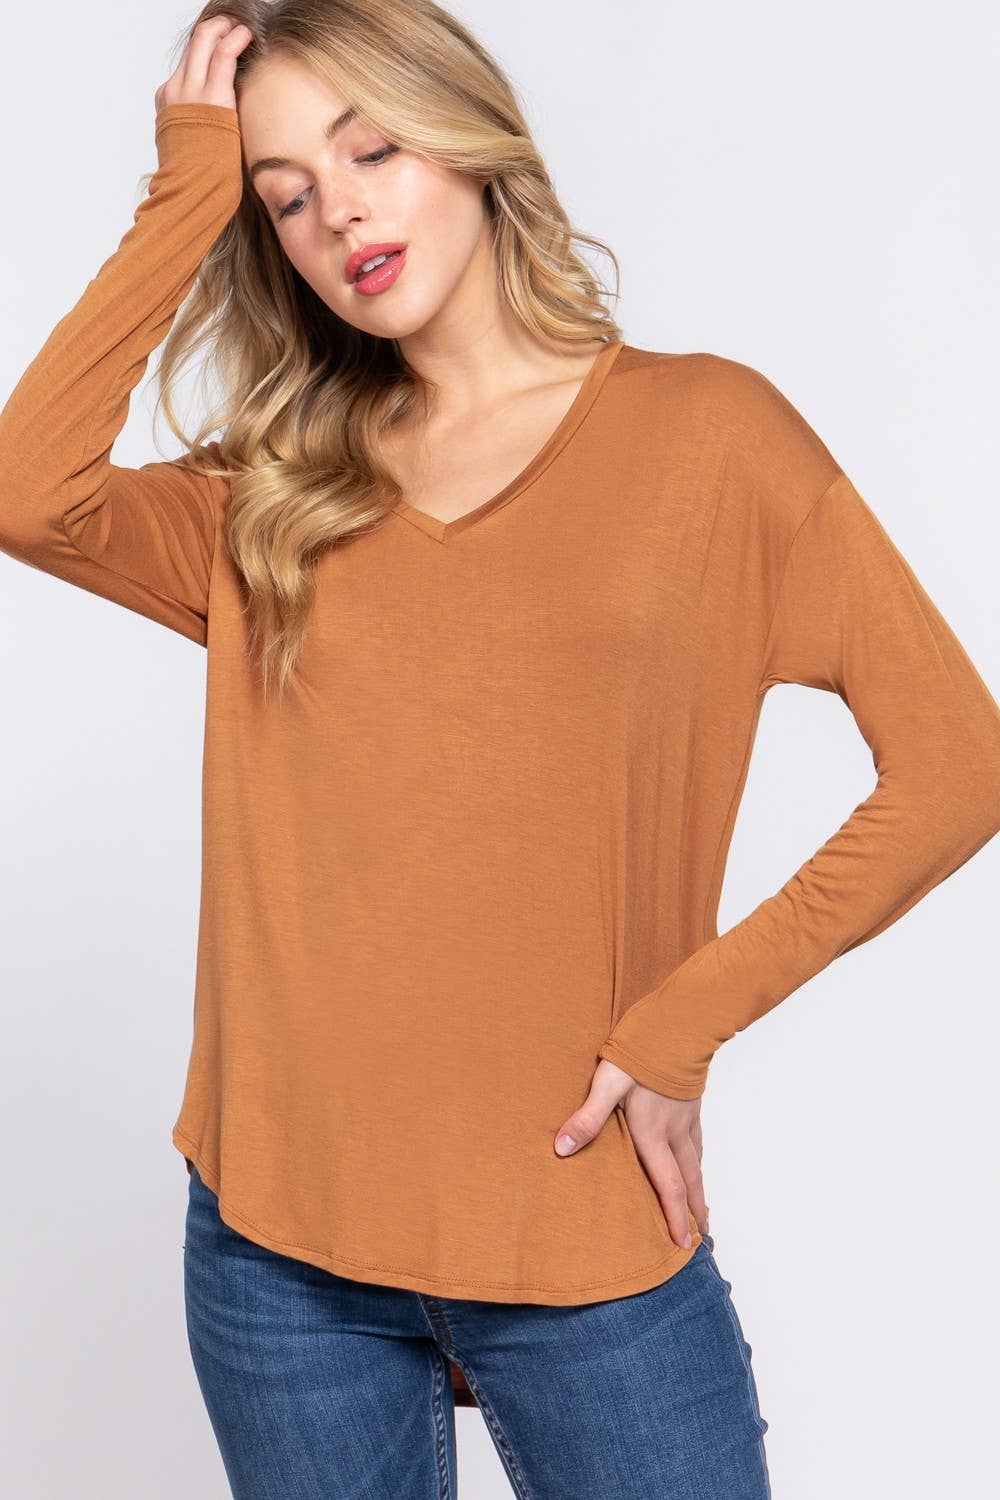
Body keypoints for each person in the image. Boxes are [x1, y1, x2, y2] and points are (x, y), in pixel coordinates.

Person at [2, 3, 998, 1497]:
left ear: (470, 140)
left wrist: (683, 1023)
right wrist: (184, 188)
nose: (338, 212)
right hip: (278, 1254)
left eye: (372, 150)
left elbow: (958, 763)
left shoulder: (712, 439)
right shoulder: (273, 494)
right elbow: (29, 492)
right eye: (283, 194)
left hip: (579, 1227)